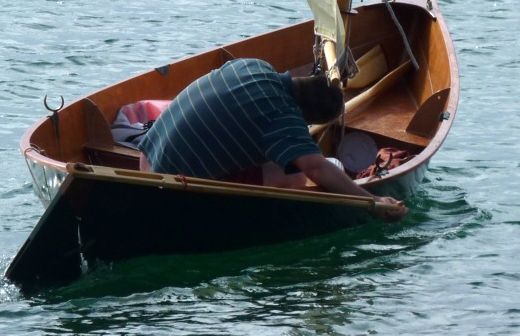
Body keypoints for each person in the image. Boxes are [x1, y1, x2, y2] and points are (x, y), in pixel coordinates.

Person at [138, 58, 407, 221]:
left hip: (147, 159)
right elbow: (315, 168)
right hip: (174, 189)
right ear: (306, 118)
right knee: (295, 176)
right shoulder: (282, 118)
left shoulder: (252, 65)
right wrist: (372, 202)